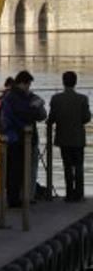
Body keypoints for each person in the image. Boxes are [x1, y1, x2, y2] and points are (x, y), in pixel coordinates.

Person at [0, 71, 47, 208]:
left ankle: (14, 197)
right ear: (23, 83)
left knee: (14, 169)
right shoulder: (17, 97)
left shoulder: (9, 96)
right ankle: (15, 199)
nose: (29, 87)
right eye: (28, 84)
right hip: (19, 138)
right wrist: (35, 106)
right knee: (17, 170)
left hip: (12, 137)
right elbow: (25, 114)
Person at [47, 71, 91, 202]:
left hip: (63, 138)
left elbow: (52, 118)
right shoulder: (83, 98)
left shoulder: (56, 99)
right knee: (78, 166)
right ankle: (79, 194)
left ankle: (69, 194)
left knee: (67, 166)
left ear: (63, 82)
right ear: (75, 82)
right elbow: (87, 117)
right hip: (78, 138)